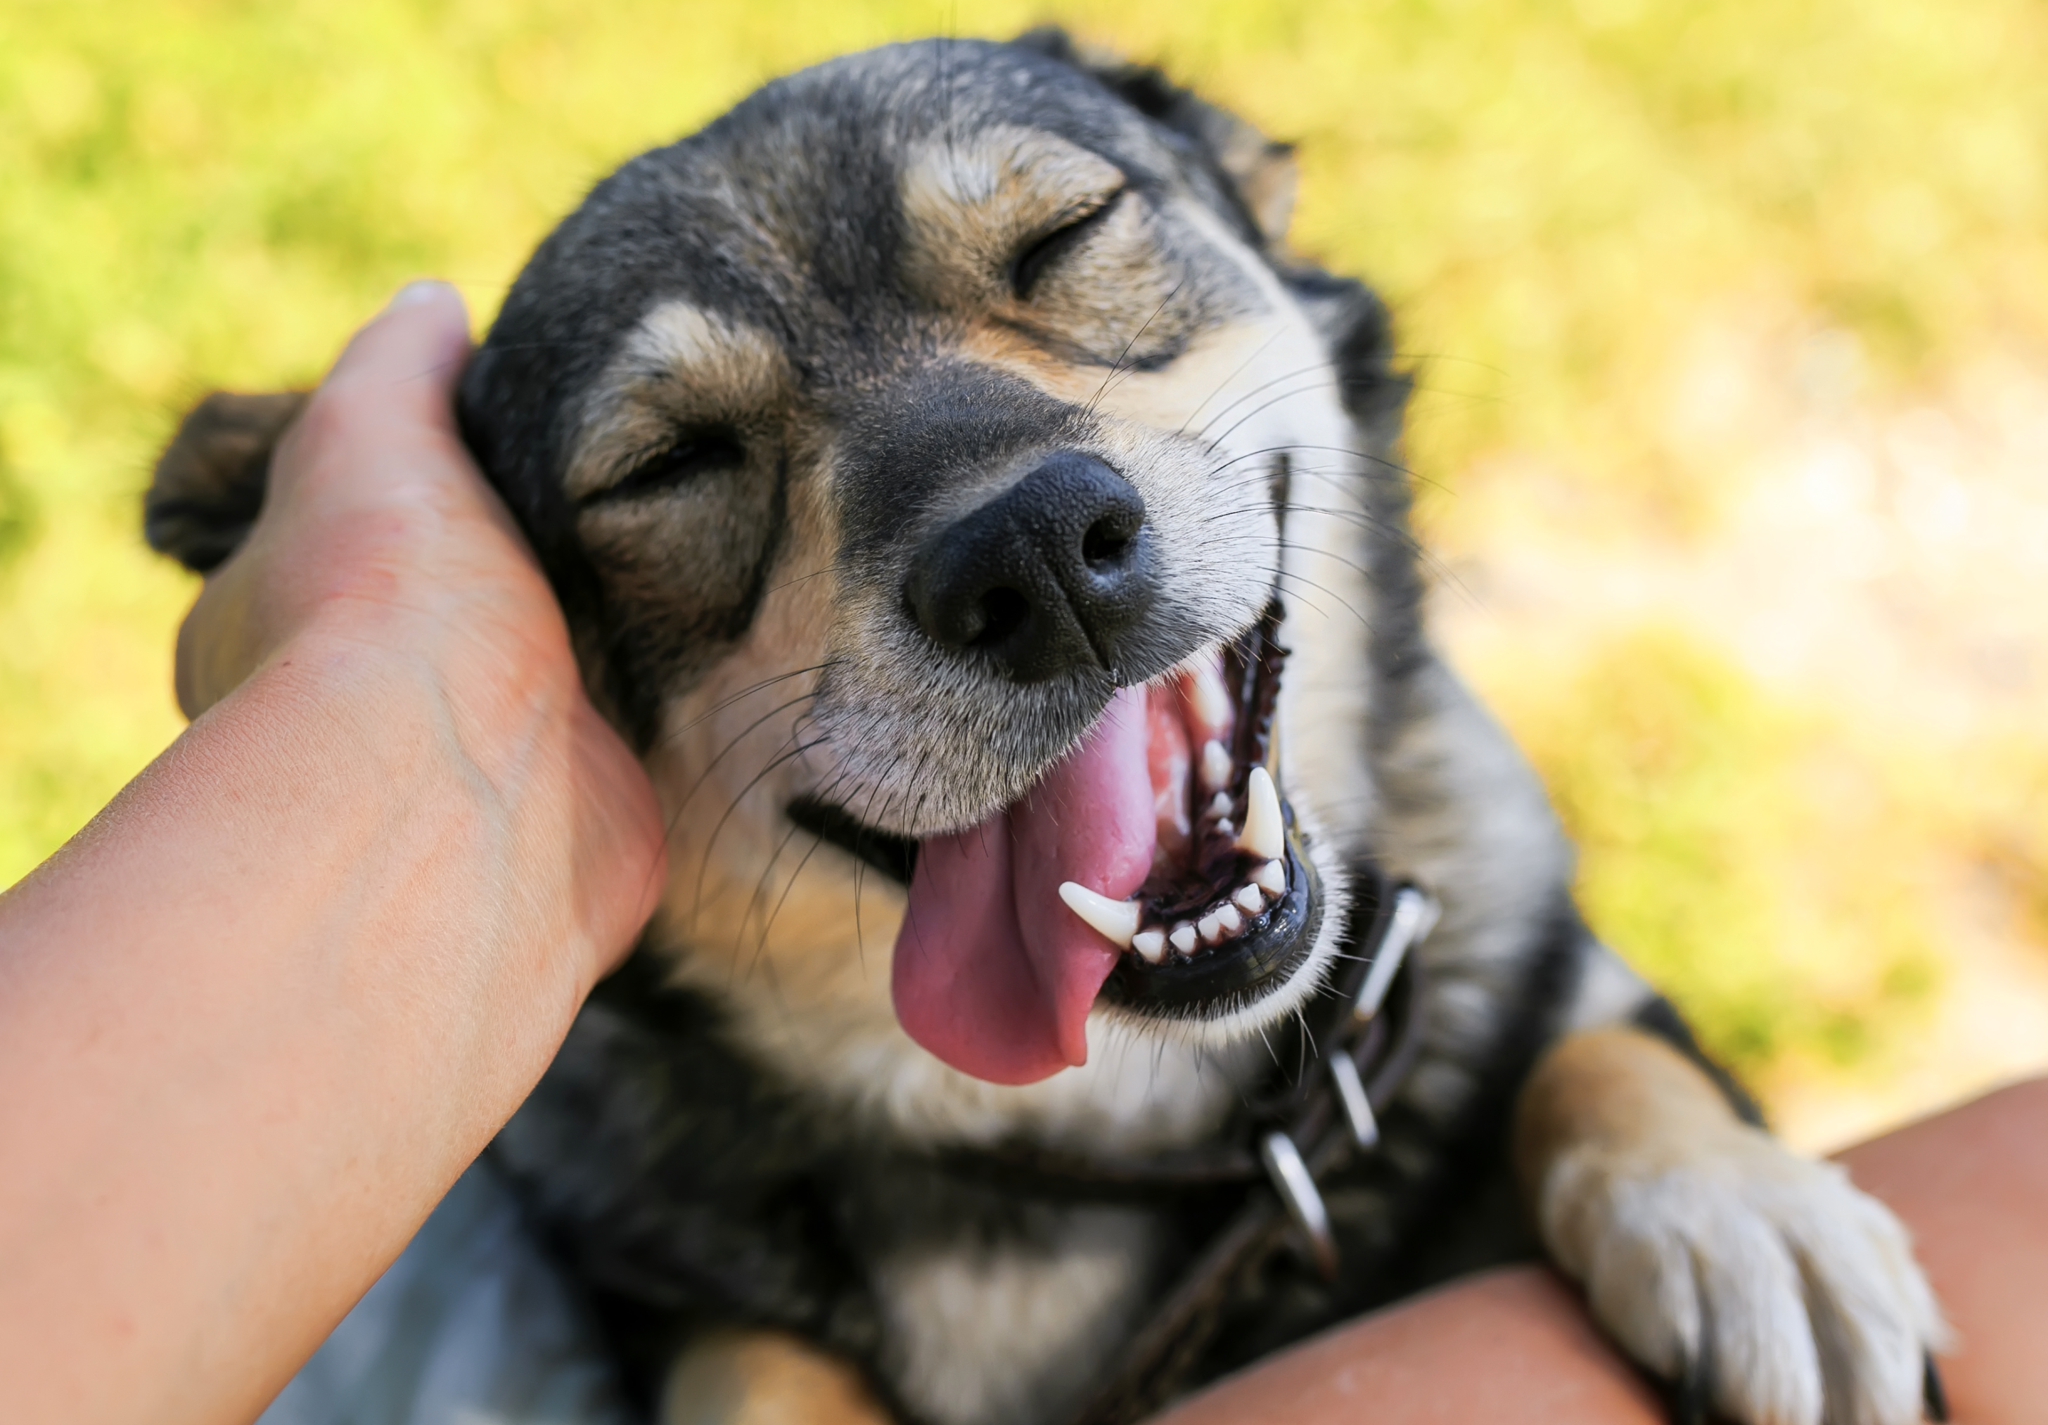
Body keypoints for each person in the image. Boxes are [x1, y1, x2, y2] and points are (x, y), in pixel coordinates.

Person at [0, 285, 2040, 1425]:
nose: (1011, 510)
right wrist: (396, 697)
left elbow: (1539, 1001)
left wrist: (1625, 1114)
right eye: (680, 460)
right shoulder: (604, 1133)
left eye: (1065, 251)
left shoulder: (1449, 854)